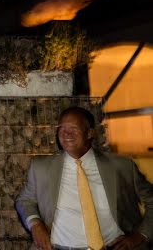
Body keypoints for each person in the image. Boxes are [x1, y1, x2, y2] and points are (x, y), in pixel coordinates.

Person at [15, 106, 153, 250]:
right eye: (62, 128)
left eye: (74, 128)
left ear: (89, 133)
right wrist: (35, 224)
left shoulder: (121, 166)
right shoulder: (41, 168)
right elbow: (24, 200)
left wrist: (141, 235)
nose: (66, 134)